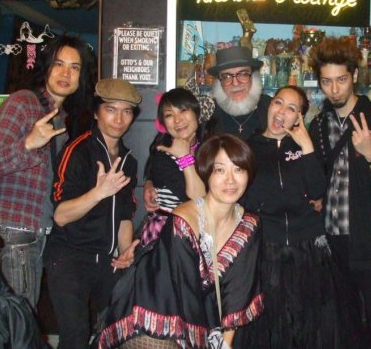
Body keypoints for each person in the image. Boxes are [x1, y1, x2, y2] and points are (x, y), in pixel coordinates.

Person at [98, 134, 264, 349]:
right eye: (220, 170)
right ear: (206, 173)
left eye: (238, 169)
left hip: (201, 311)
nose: (230, 180)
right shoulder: (185, 219)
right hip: (153, 306)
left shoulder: (249, 223)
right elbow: (182, 290)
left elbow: (239, 290)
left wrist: (226, 343)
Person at [239, 85, 361, 348]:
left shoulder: (306, 147)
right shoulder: (249, 147)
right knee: (271, 327)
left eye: (291, 108)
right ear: (269, 107)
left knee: (310, 326)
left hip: (308, 249)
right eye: (278, 103)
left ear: (299, 118)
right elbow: (241, 197)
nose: (282, 111)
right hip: (266, 249)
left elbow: (318, 190)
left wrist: (306, 147)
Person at [0, 34, 95, 309]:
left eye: (74, 67)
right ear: (46, 67)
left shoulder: (61, 117)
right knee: (20, 321)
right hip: (15, 234)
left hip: (37, 233)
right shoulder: (22, 103)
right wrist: (29, 143)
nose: (66, 73)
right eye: (59, 64)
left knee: (19, 322)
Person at [308, 36, 371, 348]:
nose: (334, 89)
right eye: (326, 81)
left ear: (353, 77)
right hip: (333, 243)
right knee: (345, 327)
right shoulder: (319, 125)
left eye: (341, 80)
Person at [44, 78, 142, 349]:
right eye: (111, 109)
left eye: (127, 111)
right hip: (69, 257)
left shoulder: (128, 160)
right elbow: (61, 215)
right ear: (97, 111)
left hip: (106, 260)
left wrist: (125, 253)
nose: (119, 118)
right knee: (75, 336)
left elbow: (124, 215)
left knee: (116, 331)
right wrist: (99, 192)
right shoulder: (77, 150)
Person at [143, 46, 270, 213]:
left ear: (253, 76)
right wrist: (150, 182)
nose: (235, 82)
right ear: (219, 82)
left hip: (265, 211)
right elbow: (166, 149)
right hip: (219, 214)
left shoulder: (271, 110)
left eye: (243, 74)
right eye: (227, 76)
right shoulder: (207, 113)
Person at [139, 87, 206, 245]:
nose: (177, 119)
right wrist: (184, 157)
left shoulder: (210, 150)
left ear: (197, 113)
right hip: (167, 236)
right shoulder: (162, 156)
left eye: (183, 110)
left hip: (200, 234)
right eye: (169, 115)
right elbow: (198, 200)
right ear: (163, 123)